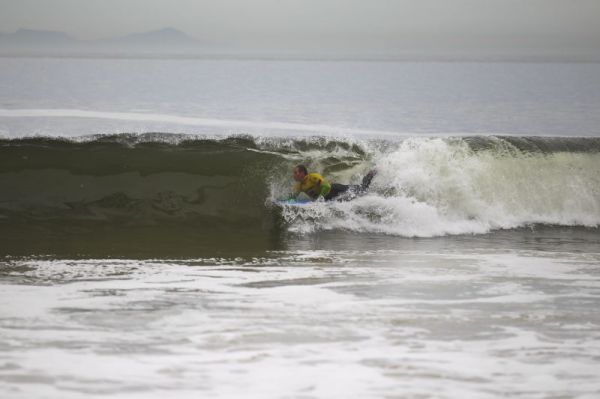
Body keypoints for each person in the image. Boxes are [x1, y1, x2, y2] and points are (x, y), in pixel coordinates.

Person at [291, 164, 376, 201]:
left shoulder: (313, 177)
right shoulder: (299, 186)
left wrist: (319, 199)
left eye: (295, 173)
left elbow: (327, 186)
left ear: (302, 173)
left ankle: (372, 172)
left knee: (362, 189)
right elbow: (293, 197)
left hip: (335, 189)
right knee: (358, 193)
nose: (293, 175)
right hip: (329, 198)